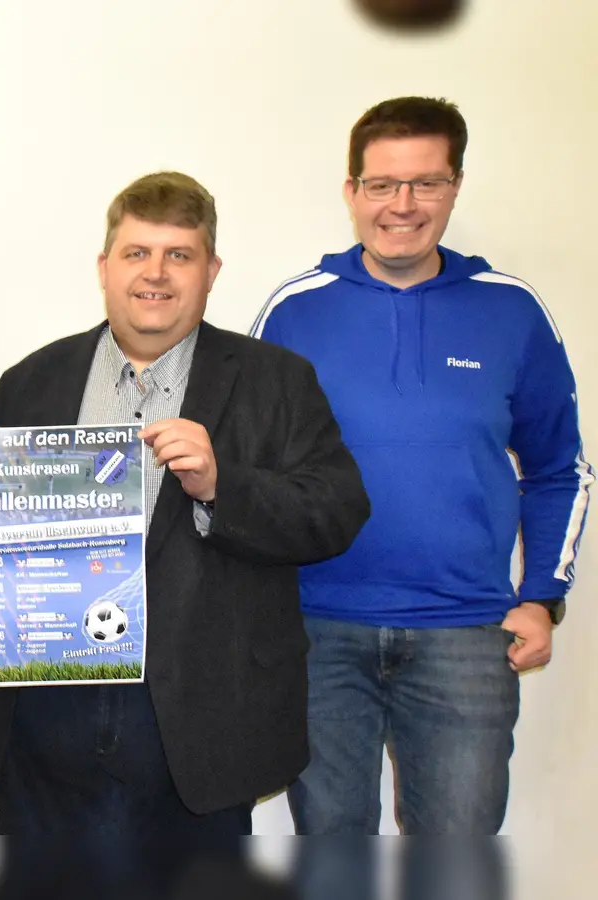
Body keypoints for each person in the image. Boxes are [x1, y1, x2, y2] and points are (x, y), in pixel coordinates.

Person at [0, 171, 370, 844]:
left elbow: (337, 511)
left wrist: (225, 485)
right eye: (137, 253)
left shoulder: (277, 380)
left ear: (211, 270)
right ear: (105, 267)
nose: (155, 274)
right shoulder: (33, 378)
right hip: (50, 717)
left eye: (179, 255)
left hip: (202, 721)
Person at [251, 96, 592, 834]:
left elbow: (560, 467)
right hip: (318, 635)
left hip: (467, 638)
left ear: (455, 187)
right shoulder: (293, 311)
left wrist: (542, 595)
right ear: (352, 192)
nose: (402, 205)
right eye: (381, 185)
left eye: (426, 183)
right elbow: (248, 472)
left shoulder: (512, 310)